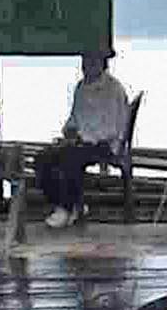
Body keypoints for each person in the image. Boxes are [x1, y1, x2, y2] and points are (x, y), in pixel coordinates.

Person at [35, 47, 133, 224]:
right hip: (82, 141)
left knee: (71, 157)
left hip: (105, 144)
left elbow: (112, 128)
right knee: (43, 157)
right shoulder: (81, 87)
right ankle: (63, 203)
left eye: (91, 62)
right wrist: (69, 132)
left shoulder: (113, 89)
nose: (86, 66)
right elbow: (74, 118)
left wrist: (82, 139)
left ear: (102, 64)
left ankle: (67, 207)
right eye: (84, 62)